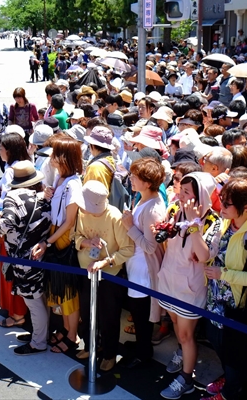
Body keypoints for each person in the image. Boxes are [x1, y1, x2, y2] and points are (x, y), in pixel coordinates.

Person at [204, 179, 247, 400]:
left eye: (227, 203)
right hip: (216, 299)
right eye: (221, 201)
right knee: (219, 344)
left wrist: (223, 274)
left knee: (234, 354)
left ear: (245, 206)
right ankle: (229, 382)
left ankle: (229, 392)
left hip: (236, 307)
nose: (221, 207)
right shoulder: (227, 221)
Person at [157, 172, 223, 399]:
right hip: (169, 278)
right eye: (180, 189)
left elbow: (204, 255)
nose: (180, 195)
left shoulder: (214, 221)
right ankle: (182, 353)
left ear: (201, 196)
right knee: (175, 322)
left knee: (186, 335)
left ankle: (186, 379)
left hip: (190, 286)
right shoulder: (175, 209)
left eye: (187, 192)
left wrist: (195, 223)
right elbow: (166, 238)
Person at [75, 180, 135, 371]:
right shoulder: (81, 212)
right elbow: (75, 237)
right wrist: (86, 242)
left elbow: (127, 249)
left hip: (110, 275)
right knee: (86, 312)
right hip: (85, 271)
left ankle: (109, 354)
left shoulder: (115, 217)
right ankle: (90, 345)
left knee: (109, 315)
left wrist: (105, 262)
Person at [0, 161, 52, 355]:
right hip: (40, 255)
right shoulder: (43, 197)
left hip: (23, 260)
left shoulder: (13, 197)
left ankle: (38, 342)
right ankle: (40, 334)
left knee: (33, 301)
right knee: (40, 298)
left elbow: (5, 224)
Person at [120, 157, 167, 368]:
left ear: (147, 183)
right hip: (136, 265)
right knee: (138, 312)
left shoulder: (153, 208)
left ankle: (143, 353)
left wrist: (129, 226)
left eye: (135, 176)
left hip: (144, 270)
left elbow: (150, 246)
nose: (131, 179)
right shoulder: (143, 198)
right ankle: (141, 347)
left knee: (142, 314)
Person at [0, 133, 30, 327]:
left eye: (1, 148)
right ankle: (17, 311)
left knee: (10, 271)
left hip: (10, 229)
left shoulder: (11, 170)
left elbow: (9, 202)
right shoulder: (19, 166)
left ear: (8, 150)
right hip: (18, 228)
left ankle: (17, 313)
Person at [41, 135, 83, 355]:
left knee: (68, 292)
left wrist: (48, 242)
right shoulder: (61, 178)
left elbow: (69, 221)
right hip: (56, 235)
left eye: (56, 153)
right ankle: (66, 329)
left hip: (62, 239)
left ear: (64, 158)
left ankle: (72, 335)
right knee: (60, 290)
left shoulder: (74, 184)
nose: (51, 157)